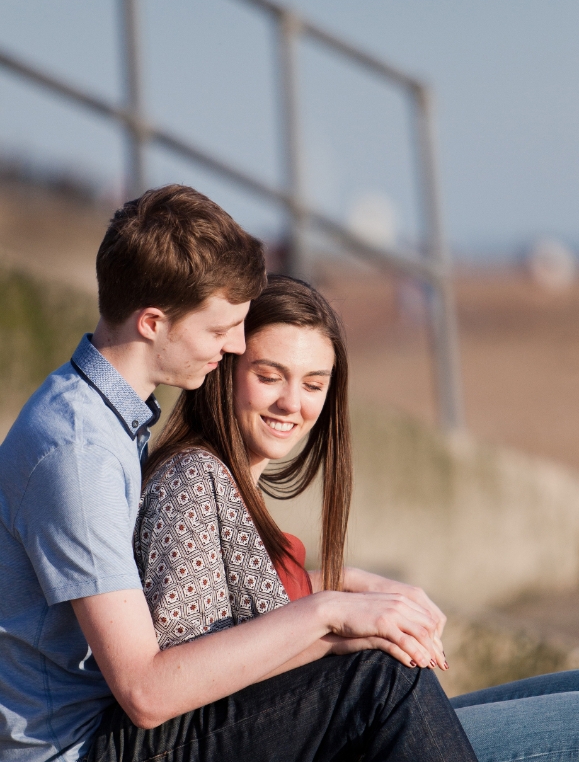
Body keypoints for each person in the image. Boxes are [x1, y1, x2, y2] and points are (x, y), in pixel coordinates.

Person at [0, 185, 477, 762]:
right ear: (153, 322)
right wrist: (327, 614)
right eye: (221, 328)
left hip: (110, 732)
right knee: (378, 678)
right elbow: (147, 690)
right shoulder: (80, 455)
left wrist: (339, 585)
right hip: (79, 750)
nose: (233, 347)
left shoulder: (104, 421)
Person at [132, 273, 579, 762]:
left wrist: (346, 582)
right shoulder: (192, 480)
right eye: (269, 376)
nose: (292, 403)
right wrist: (335, 624)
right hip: (311, 736)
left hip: (329, 722)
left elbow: (236, 608)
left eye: (313, 384)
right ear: (224, 371)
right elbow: (188, 676)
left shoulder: (232, 484)